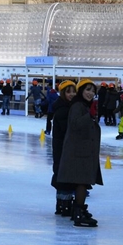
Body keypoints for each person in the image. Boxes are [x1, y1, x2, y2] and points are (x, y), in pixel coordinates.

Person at [57, 79, 102, 227]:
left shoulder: (83, 105)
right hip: (78, 152)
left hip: (83, 150)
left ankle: (79, 210)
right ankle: (78, 212)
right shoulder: (78, 106)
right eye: (87, 90)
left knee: (83, 183)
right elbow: (75, 124)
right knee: (82, 182)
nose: (90, 93)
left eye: (93, 91)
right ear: (81, 90)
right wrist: (89, 115)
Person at [51, 80, 77, 217]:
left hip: (63, 148)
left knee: (63, 176)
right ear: (62, 93)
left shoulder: (67, 107)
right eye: (68, 92)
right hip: (63, 149)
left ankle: (62, 205)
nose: (72, 94)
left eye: (74, 91)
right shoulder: (64, 110)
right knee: (64, 176)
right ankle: (64, 206)